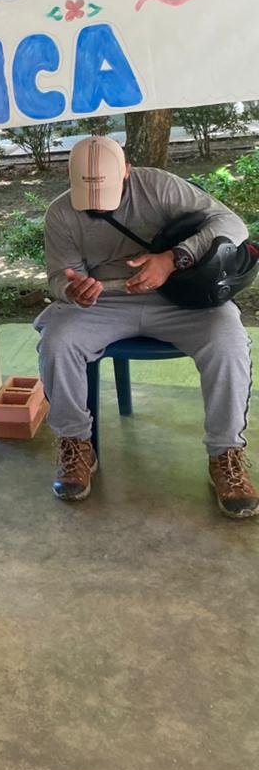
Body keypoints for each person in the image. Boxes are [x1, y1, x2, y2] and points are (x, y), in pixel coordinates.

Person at [37, 135, 256, 517]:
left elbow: (232, 224)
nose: (95, 204)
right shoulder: (60, 213)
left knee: (228, 338)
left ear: (126, 171)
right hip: (105, 301)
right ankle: (76, 443)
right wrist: (75, 291)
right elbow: (59, 275)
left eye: (107, 189)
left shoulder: (158, 186)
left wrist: (174, 258)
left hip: (177, 297)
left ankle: (225, 453)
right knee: (57, 340)